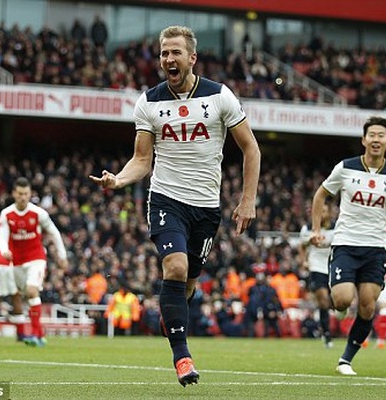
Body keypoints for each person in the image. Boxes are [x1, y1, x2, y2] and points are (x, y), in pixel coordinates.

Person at [88, 25, 260, 387]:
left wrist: (247, 201)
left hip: (206, 207)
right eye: (164, 53)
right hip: (167, 198)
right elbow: (141, 159)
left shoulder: (219, 97)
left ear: (191, 58)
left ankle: (173, 316)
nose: (168, 59)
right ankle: (182, 357)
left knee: (187, 285)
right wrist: (118, 179)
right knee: (176, 266)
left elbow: (251, 148)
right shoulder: (148, 101)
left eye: (175, 52)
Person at [310, 116, 386, 376]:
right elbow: (321, 194)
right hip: (345, 243)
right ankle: (342, 308)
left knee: (368, 306)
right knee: (342, 299)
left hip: (375, 248)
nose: (376, 139)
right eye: (372, 135)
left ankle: (346, 359)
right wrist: (316, 229)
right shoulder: (345, 168)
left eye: (381, 135)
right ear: (363, 139)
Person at [0, 177, 69, 347]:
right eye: (20, 193)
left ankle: (36, 335)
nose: (23, 197)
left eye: (26, 194)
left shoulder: (38, 213)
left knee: (31, 291)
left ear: (30, 194)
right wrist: (4, 251)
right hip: (16, 262)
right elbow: (2, 237)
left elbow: (54, 232)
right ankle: (39, 333)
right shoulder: (6, 214)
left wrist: (62, 255)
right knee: (25, 298)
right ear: (14, 193)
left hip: (36, 258)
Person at [299, 202, 335, 348]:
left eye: (324, 211)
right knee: (323, 300)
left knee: (337, 301)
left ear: (329, 213)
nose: (322, 214)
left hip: (333, 266)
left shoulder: (337, 228)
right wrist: (304, 262)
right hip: (317, 266)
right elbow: (302, 246)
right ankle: (326, 333)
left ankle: (337, 314)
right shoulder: (308, 229)